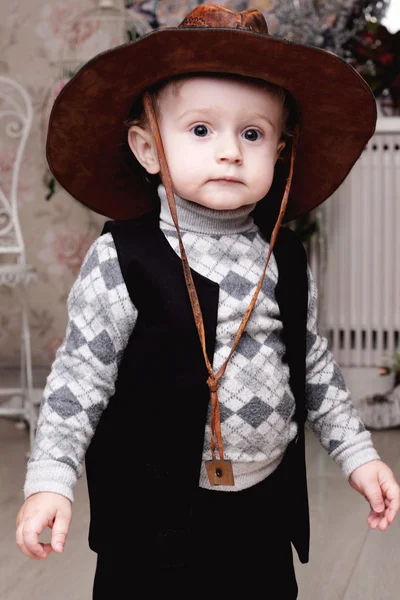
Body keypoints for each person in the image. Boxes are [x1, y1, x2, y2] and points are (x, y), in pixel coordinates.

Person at [15, 4, 400, 598]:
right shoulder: (125, 257)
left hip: (262, 513)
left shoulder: (284, 258)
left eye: (253, 133)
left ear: (280, 152)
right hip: (150, 518)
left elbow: (314, 368)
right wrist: (50, 477)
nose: (230, 151)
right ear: (148, 149)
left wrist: (358, 454)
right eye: (201, 129)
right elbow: (79, 377)